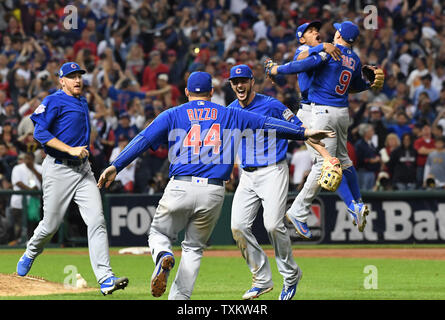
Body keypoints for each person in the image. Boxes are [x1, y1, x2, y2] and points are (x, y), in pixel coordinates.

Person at [97, 71, 334, 300]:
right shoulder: (229, 113)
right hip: (213, 191)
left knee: (159, 233)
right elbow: (267, 123)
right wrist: (303, 133)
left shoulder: (173, 113)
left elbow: (143, 139)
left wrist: (116, 165)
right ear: (212, 92)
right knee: (193, 248)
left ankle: (163, 255)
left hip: (181, 186)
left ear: (187, 92)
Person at [16, 62, 129, 296]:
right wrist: (69, 149)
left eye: (79, 75)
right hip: (59, 169)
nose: (77, 80)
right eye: (71, 76)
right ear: (62, 80)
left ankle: (106, 278)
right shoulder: (53, 100)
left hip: (83, 170)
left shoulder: (81, 101)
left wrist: (77, 154)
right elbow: (39, 133)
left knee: (97, 220)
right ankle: (31, 251)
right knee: (50, 225)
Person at [227, 64, 332, 301]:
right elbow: (227, 145)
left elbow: (301, 129)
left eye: (243, 80)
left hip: (273, 170)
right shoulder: (231, 109)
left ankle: (291, 276)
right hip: (247, 174)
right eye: (235, 82)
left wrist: (326, 156)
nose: (240, 85)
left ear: (252, 82)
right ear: (232, 85)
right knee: (238, 227)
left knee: (273, 225)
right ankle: (262, 279)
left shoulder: (272, 105)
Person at [268, 21, 381, 236]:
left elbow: (302, 67)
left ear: (339, 34)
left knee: (331, 163)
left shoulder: (330, 51)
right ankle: (353, 204)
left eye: (315, 30)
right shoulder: (349, 57)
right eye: (310, 31)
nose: (317, 32)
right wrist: (367, 83)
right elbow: (302, 63)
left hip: (322, 111)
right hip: (330, 113)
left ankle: (343, 207)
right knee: (335, 162)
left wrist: (276, 69)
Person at [9, 152, 42, 246]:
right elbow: (17, 182)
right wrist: (30, 190)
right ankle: (16, 244)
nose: (27, 161)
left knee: (32, 225)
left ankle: (30, 244)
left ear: (33, 159)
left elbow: (44, 181)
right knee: (19, 225)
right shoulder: (18, 168)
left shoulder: (39, 168)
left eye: (29, 159)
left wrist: (33, 169)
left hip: (34, 203)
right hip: (19, 202)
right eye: (26, 159)